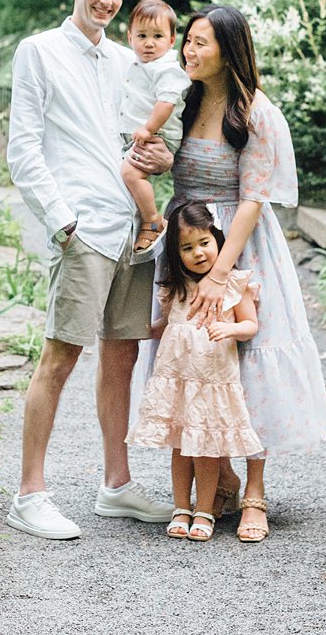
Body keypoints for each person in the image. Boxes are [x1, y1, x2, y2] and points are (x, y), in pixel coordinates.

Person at [4, 0, 176, 540]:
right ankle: (29, 495)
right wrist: (61, 221)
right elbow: (23, 148)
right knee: (60, 357)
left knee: (122, 356)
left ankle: (116, 486)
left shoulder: (131, 61)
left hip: (131, 228)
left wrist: (162, 157)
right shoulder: (40, 52)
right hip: (83, 230)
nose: (106, 0)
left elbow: (145, 140)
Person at [169, 3, 326, 542]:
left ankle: (256, 494)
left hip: (240, 247)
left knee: (248, 363)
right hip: (187, 241)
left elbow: (253, 199)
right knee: (196, 361)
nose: (189, 51)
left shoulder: (255, 111)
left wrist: (221, 273)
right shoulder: (184, 101)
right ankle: (220, 479)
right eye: (187, 41)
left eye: (201, 43)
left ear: (229, 50)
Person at [127, 202, 262, 541]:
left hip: (212, 382)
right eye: (187, 248)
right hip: (178, 382)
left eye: (204, 243)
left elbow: (250, 325)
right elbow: (170, 322)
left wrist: (230, 330)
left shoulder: (233, 285)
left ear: (218, 239)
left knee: (205, 448)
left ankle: (204, 510)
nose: (198, 253)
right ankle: (180, 507)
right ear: (176, 253)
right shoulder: (176, 286)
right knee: (179, 447)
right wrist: (145, 328)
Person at [118, 0, 190, 253]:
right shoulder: (137, 63)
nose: (149, 43)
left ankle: (153, 221)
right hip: (144, 134)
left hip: (159, 134)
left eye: (157, 36)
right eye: (142, 35)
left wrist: (148, 129)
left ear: (171, 41)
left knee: (130, 173)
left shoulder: (166, 68)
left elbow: (166, 102)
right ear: (130, 38)